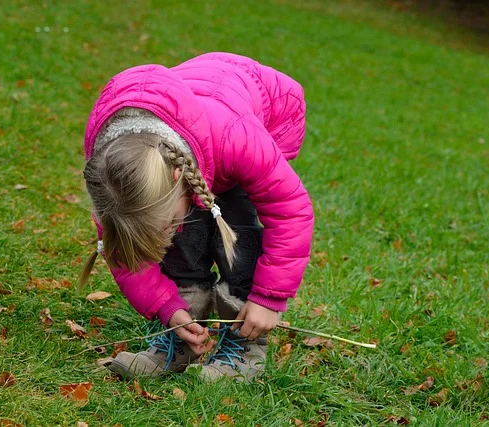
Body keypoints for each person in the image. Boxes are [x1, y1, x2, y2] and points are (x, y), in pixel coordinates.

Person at [79, 52, 314, 381]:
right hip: (195, 131)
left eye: (166, 225)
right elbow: (124, 250)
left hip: (261, 115)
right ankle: (183, 335)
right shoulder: (114, 181)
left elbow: (291, 212)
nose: (166, 234)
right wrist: (168, 307)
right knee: (185, 234)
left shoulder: (239, 141)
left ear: (177, 177)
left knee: (235, 227)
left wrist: (269, 298)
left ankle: (245, 346)